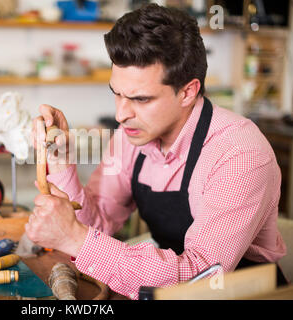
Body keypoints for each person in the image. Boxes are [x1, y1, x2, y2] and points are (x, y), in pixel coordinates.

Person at [24, 4, 288, 299]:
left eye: (141, 99)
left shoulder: (239, 153)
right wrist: (60, 164)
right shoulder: (130, 138)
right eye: (117, 94)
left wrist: (75, 239)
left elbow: (199, 279)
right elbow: (98, 224)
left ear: (187, 92)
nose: (122, 115)